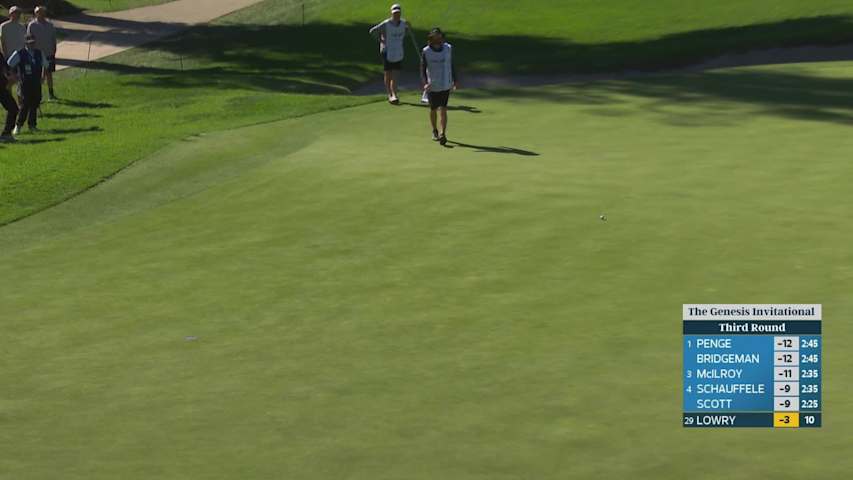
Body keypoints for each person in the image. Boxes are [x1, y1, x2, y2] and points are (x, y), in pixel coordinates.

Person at [369, 3, 417, 104]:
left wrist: (409, 26)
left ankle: (394, 94)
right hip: (387, 51)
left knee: (395, 74)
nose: (396, 15)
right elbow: (372, 31)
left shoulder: (403, 24)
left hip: (398, 51)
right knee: (388, 73)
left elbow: (408, 33)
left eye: (398, 13)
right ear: (391, 13)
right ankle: (389, 93)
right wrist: (381, 40)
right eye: (395, 13)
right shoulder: (386, 24)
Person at [420, 27, 458, 146]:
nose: (438, 40)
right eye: (435, 38)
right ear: (431, 39)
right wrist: (425, 83)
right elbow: (422, 68)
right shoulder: (426, 51)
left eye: (439, 37)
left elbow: (451, 64)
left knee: (443, 109)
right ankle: (434, 130)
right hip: (432, 85)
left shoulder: (448, 48)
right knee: (433, 109)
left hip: (445, 83)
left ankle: (443, 133)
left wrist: (455, 80)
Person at [7, 34, 47, 134]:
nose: (31, 44)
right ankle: (18, 125)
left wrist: (43, 76)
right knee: (25, 104)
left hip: (36, 82)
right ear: (25, 43)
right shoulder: (20, 53)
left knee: (35, 103)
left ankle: (32, 125)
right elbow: (10, 64)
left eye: (33, 42)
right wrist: (14, 76)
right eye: (29, 43)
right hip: (25, 82)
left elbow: (45, 65)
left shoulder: (39, 53)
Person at [28, 6, 58, 100]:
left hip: (49, 53)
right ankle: (38, 94)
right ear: (35, 13)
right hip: (37, 54)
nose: (41, 14)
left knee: (49, 74)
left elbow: (53, 39)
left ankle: (51, 93)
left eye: (42, 12)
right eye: (38, 12)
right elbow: (29, 39)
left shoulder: (50, 25)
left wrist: (54, 49)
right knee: (37, 75)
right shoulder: (32, 25)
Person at [0, 50, 18, 142]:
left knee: (13, 108)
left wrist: (11, 77)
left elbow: (6, 69)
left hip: (2, 88)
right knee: (13, 108)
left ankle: (6, 133)